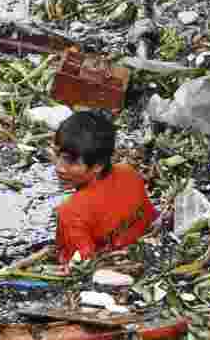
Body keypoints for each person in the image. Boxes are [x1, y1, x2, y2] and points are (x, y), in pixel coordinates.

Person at [52, 111, 157, 268]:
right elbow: (152, 218)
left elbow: (80, 266)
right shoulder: (128, 172)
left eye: (71, 161)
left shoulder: (70, 213)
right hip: (143, 249)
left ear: (97, 166)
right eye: (57, 154)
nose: (58, 168)